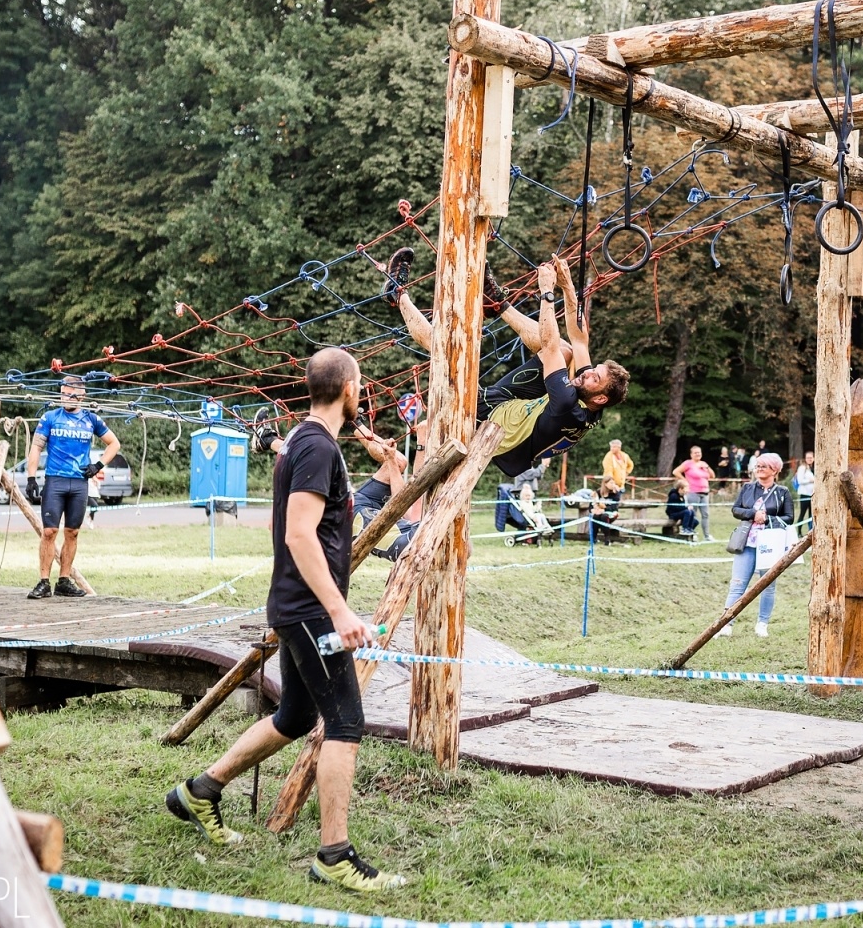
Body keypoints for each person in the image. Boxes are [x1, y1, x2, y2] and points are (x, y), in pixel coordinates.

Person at [166, 348, 405, 889]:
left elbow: (325, 518)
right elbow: (299, 533)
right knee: (346, 723)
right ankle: (334, 857)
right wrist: (339, 611)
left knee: (295, 717)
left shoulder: (303, 440)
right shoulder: (317, 448)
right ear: (350, 389)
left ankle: (198, 791)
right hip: (312, 612)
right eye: (360, 384)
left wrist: (384, 463)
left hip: (297, 607)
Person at [383, 253, 628, 479]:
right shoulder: (590, 396)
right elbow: (579, 340)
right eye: (594, 370)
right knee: (567, 351)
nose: (587, 374)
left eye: (594, 378)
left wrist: (547, 291)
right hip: (519, 408)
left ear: (602, 399)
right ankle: (496, 304)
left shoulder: (567, 404)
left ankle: (396, 293)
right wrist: (568, 287)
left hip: (492, 426)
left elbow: (548, 343)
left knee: (448, 353)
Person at [24, 376, 121, 599]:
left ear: (82, 395)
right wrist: (31, 478)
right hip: (55, 480)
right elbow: (36, 448)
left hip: (79, 483)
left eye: (72, 394)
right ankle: (43, 582)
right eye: (64, 393)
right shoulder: (50, 417)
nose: (67, 397)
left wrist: (98, 465)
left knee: (73, 532)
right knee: (49, 531)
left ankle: (64, 581)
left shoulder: (91, 419)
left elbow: (114, 443)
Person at [715, 452, 793, 638]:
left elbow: (789, 518)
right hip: (747, 543)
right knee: (737, 584)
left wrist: (767, 519)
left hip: (771, 545)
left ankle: (762, 623)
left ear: (774, 470)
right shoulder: (747, 488)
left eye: (763, 466)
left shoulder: (783, 493)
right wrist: (752, 513)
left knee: (767, 585)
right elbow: (736, 509)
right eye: (757, 466)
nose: (758, 469)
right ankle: (726, 624)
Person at [349, 422, 419, 562]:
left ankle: (353, 423)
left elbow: (406, 501)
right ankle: (354, 424)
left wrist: (422, 442)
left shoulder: (419, 539)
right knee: (399, 462)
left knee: (397, 461)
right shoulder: (424, 536)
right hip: (372, 510)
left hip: (354, 514)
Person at [671, 445, 716, 541]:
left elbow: (712, 476)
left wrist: (707, 467)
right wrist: (685, 481)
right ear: (691, 454)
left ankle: (707, 535)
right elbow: (675, 472)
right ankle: (692, 533)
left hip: (704, 493)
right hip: (693, 492)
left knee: (705, 515)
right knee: (692, 513)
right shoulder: (688, 463)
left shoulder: (704, 464)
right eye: (695, 452)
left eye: (699, 452)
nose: (698, 454)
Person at [496, 457, 549, 532]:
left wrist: (544, 466)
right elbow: (535, 473)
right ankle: (532, 531)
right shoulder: (523, 467)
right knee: (526, 517)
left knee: (534, 514)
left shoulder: (529, 467)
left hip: (530, 497)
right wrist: (543, 465)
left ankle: (538, 530)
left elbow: (538, 475)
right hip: (523, 497)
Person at [793, 450, 816, 536]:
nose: (809, 459)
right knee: (802, 513)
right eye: (808, 458)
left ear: (813, 458)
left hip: (812, 494)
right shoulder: (802, 468)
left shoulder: (813, 468)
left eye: (811, 458)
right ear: (805, 459)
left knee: (812, 514)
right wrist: (810, 480)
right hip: (804, 494)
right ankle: (799, 532)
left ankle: (811, 532)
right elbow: (800, 480)